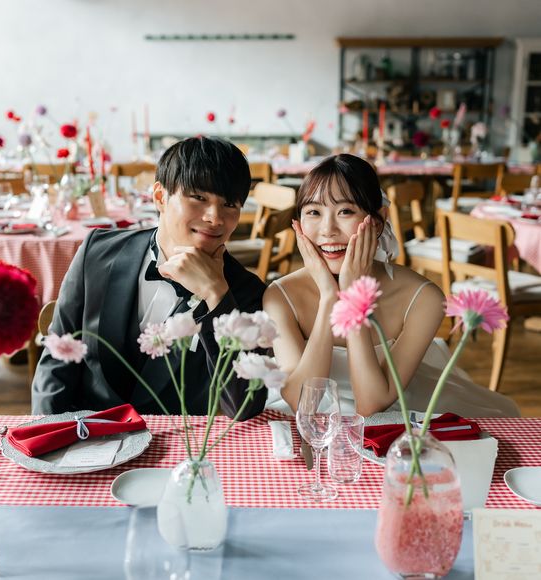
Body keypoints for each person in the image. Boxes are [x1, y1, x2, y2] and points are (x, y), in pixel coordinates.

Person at [264, 154, 519, 417]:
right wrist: (330, 297)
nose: (328, 229)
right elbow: (303, 403)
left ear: (377, 220)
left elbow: (371, 405)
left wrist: (353, 297)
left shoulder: (423, 299)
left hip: (405, 417)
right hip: (310, 424)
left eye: (345, 211)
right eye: (314, 212)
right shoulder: (279, 296)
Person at [32, 137, 267, 418]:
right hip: (84, 433)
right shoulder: (97, 252)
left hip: (177, 442)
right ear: (160, 197)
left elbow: (243, 407)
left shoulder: (246, 292)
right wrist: (48, 431)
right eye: (199, 198)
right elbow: (57, 362)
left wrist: (216, 295)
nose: (215, 217)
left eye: (229, 204)